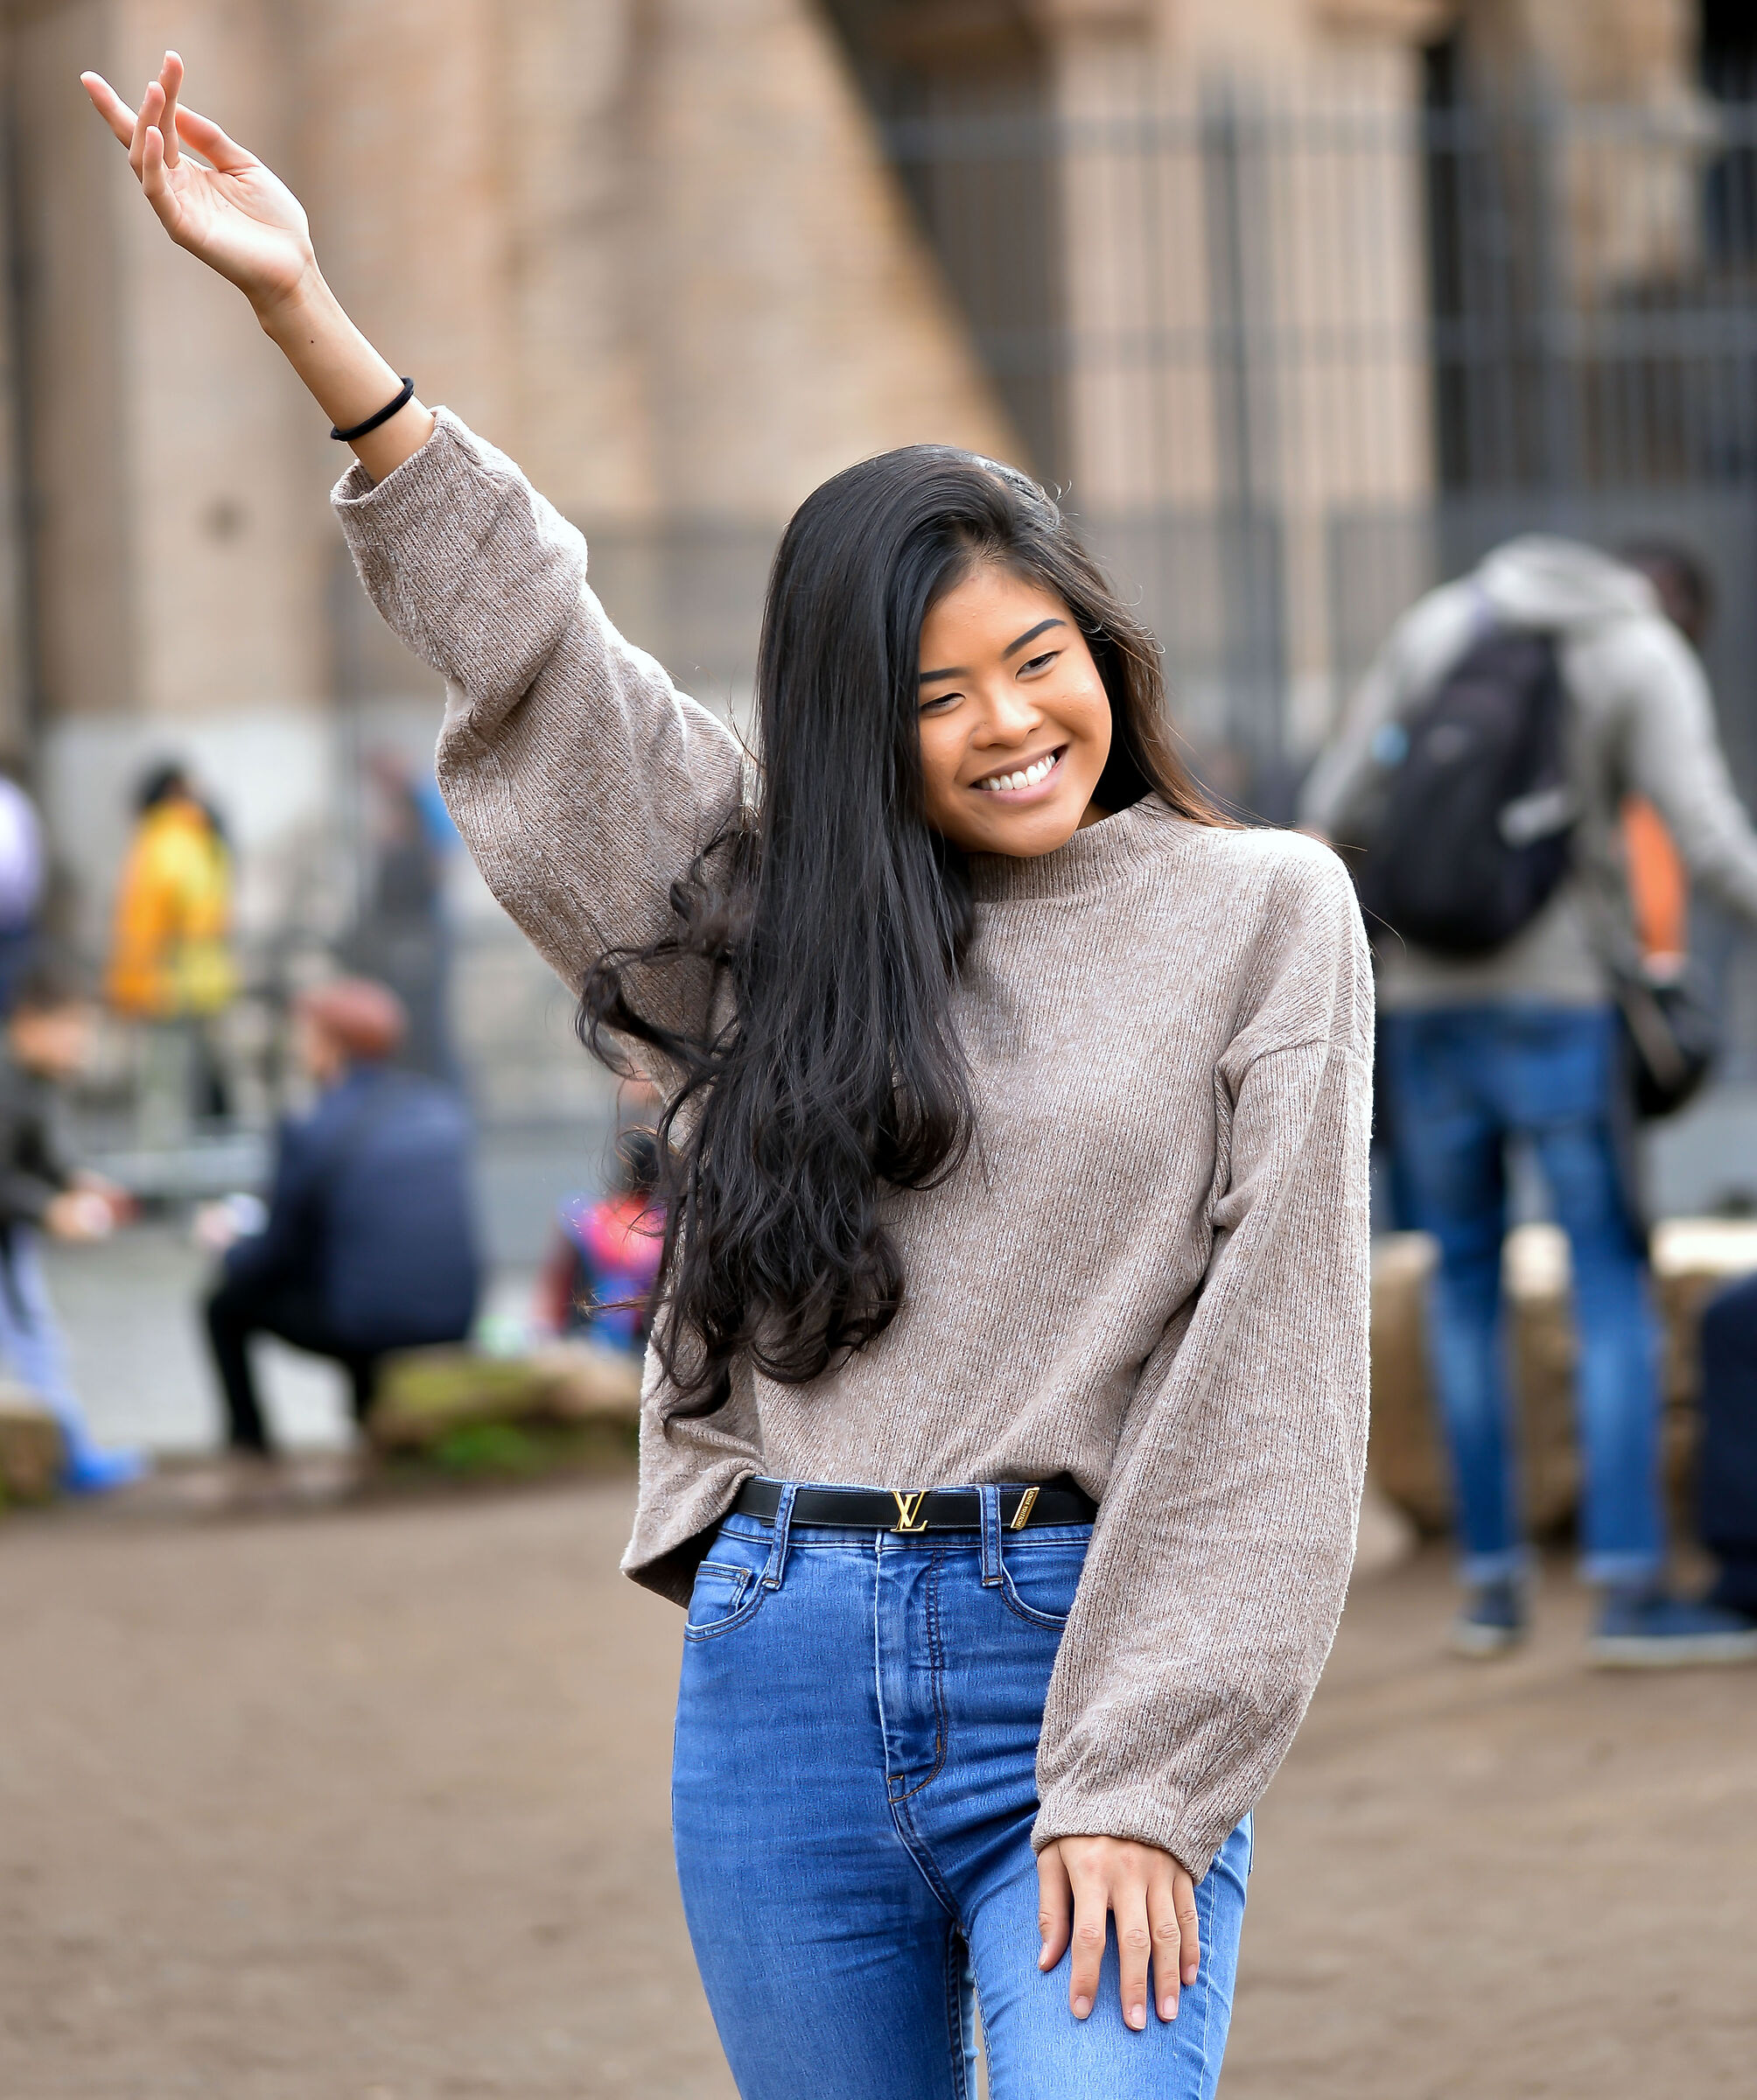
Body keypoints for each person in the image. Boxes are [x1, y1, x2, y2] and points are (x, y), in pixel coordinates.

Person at [86, 56, 1370, 2096]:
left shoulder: (1262, 910)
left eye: (1036, 655)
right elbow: (540, 659)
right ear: (861, 727)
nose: (1007, 720)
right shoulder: (771, 915)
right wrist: (307, 318)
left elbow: (1272, 1370)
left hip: (1078, 1647)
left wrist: (1146, 1768)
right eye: (935, 693)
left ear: (1099, 646)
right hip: (782, 1656)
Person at [1302, 532, 1757, 1668]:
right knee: (1608, 1286)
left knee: (1463, 1284)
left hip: (1422, 1003)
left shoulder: (1445, 621)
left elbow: (1337, 799)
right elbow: (1707, 838)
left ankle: (1491, 1588)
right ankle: (1627, 1589)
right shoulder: (1639, 651)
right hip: (1562, 1005)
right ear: (1678, 607)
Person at [201, 976, 480, 1458]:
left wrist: (228, 1247)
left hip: (366, 1321)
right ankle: (372, 1426)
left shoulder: (311, 1128)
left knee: (223, 1305)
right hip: (454, 1316)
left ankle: (249, 1446)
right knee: (362, 1273)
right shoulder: (441, 1111)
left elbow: (275, 1255)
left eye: (304, 1036)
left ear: (330, 1045)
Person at [0, 956, 144, 1494]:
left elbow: (37, 1156)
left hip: (9, 1236)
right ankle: (70, 1454)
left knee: (35, 1338)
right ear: (29, 1023)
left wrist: (76, 1181)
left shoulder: (35, 1078)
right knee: (33, 1338)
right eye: (72, 1027)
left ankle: (70, 1450)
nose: (82, 1042)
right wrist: (47, 1209)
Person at [106, 760, 238, 1146]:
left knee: (164, 1093)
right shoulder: (206, 839)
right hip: (206, 982)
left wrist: (127, 990)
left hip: (165, 987)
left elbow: (144, 927)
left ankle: (165, 1170)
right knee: (202, 1089)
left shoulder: (162, 843)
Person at [536, 1128, 664, 1352]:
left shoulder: (585, 1217)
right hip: (648, 1343)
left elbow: (556, 1285)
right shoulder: (668, 1223)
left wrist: (544, 1333)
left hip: (590, 1338)